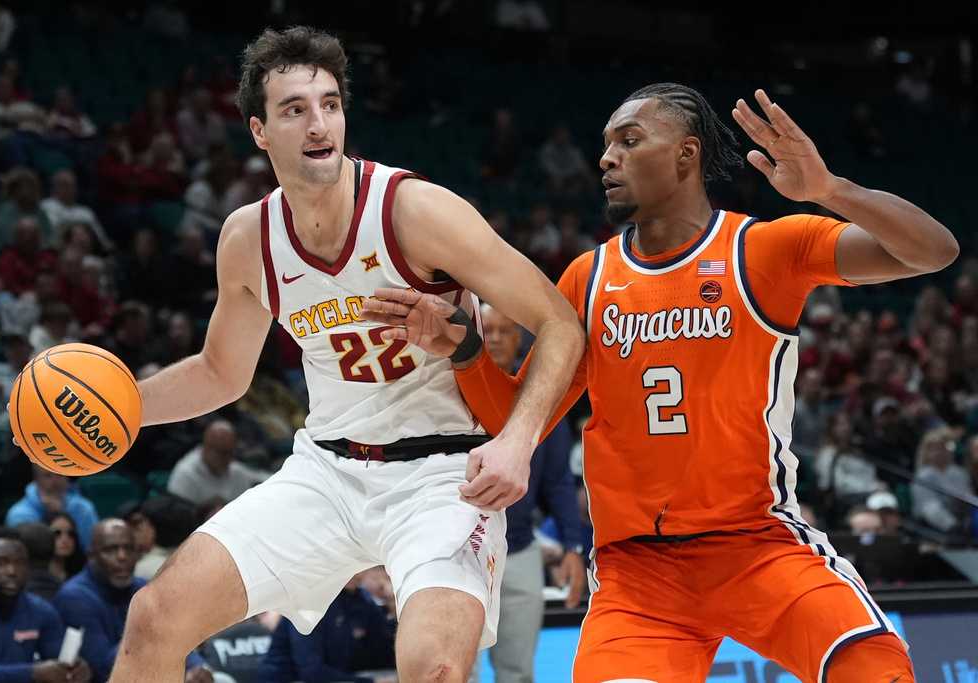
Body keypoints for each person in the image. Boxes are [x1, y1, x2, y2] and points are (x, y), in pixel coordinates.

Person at [364, 84, 958, 682]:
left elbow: (933, 252)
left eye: (629, 140)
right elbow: (519, 424)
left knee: (877, 669)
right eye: (605, 145)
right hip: (638, 575)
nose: (606, 157)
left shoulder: (763, 249)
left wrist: (831, 191)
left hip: (756, 545)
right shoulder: (586, 278)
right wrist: (466, 349)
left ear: (686, 155)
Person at [106, 25, 583, 683]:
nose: (318, 122)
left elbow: (560, 323)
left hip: (441, 477)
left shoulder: (415, 211)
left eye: (329, 103)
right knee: (154, 617)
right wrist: (119, 409)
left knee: (436, 667)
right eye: (294, 109)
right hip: (326, 471)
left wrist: (518, 441)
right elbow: (221, 372)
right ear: (259, 131)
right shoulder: (249, 238)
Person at [468, 303, 586, 683]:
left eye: (506, 330)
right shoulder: (445, 385)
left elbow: (558, 481)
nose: (498, 338)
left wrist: (572, 545)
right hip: (455, 547)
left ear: (520, 339)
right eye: (490, 330)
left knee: (518, 674)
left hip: (518, 549)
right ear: (477, 335)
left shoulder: (541, 390)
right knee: (450, 671)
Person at [54, 519, 216, 683]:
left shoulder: (145, 587)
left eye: (129, 549)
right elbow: (102, 669)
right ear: (92, 557)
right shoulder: (75, 597)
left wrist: (198, 667)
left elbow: (175, 639)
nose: (122, 557)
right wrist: (146, 628)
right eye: (111, 550)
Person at [0, 526, 93, 683]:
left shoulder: (39, 609)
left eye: (20, 563)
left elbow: (59, 661)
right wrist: (32, 673)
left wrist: (76, 669)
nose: (12, 571)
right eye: (1, 563)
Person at [256, 572, 397, 683]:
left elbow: (386, 654)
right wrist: (368, 681)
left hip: (334, 675)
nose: (356, 572)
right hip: (288, 679)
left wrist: (392, 605)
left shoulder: (363, 600)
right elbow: (310, 671)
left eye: (363, 563)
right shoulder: (310, 600)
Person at [166, 419, 268, 505]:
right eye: (223, 453)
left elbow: (261, 477)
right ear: (207, 448)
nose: (228, 458)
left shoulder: (234, 469)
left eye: (231, 453)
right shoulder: (186, 475)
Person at [6, 466, 100, 552]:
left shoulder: (83, 509)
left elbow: (91, 550)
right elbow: (27, 555)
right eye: (47, 476)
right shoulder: (19, 514)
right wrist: (55, 514)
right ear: (37, 480)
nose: (55, 482)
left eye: (59, 474)